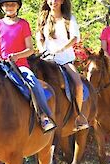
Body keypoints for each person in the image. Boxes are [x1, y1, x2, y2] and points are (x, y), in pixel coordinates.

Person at [0, 0, 57, 132]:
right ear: (2, 7)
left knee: (33, 82)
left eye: (12, 5)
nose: (10, 7)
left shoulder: (23, 24)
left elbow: (30, 50)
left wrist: (17, 56)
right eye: (7, 5)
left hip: (19, 65)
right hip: (2, 66)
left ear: (17, 7)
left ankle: (43, 116)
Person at [35, 0, 89, 131]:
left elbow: (75, 38)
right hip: (46, 60)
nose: (54, 2)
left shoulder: (69, 18)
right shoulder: (43, 18)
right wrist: (42, 49)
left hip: (64, 60)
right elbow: (39, 36)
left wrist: (61, 49)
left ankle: (78, 116)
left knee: (78, 84)